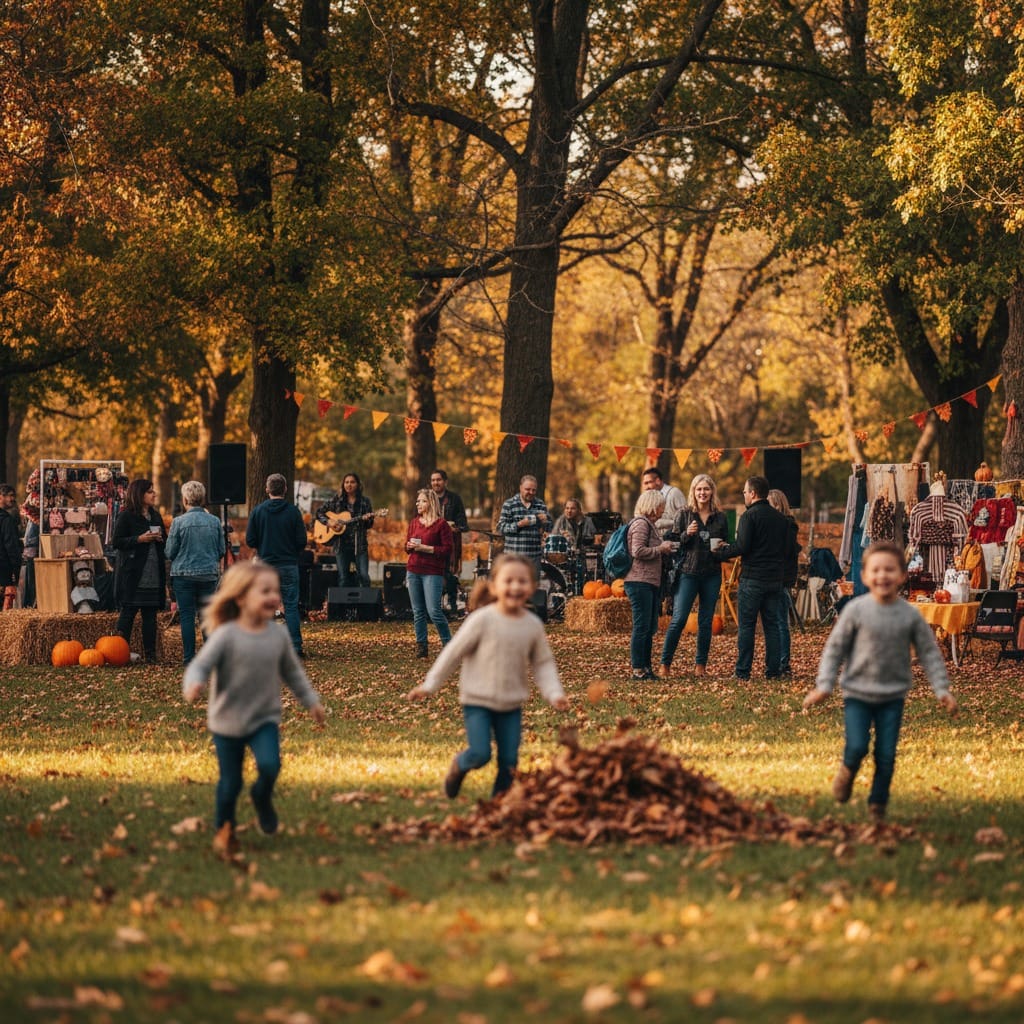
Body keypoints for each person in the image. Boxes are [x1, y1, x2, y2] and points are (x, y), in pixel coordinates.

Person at [802, 541, 957, 821]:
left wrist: (941, 689)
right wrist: (824, 686)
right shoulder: (856, 610)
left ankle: (877, 804)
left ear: (901, 576)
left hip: (892, 697)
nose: (883, 575)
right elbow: (834, 649)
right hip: (857, 694)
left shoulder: (909, 614)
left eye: (890, 570)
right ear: (864, 576)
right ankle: (848, 771)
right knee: (858, 745)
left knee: (886, 754)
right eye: (876, 570)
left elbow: (929, 652)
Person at [183, 560, 325, 856]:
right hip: (227, 723)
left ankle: (262, 797)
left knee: (271, 765)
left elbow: (293, 673)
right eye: (265, 591)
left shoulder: (278, 636)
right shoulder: (225, 635)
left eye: (275, 590)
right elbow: (201, 665)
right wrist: (194, 683)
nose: (274, 596)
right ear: (241, 598)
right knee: (230, 782)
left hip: (264, 719)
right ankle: (225, 829)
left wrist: (311, 700)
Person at [406, 553, 568, 797]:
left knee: (509, 762)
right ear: (494, 586)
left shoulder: (532, 625)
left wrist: (554, 693)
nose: (515, 586)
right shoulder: (482, 620)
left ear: (533, 587)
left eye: (522, 581)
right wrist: (429, 685)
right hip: (477, 701)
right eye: (508, 580)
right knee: (481, 753)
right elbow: (453, 653)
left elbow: (543, 664)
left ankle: (498, 806)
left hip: (511, 704)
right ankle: (459, 765)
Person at [712, 475, 794, 681]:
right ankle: (773, 671)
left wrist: (720, 552)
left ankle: (743, 671)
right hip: (774, 579)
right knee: (772, 626)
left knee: (747, 626)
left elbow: (742, 546)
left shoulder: (749, 517)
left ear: (753, 493)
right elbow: (786, 550)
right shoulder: (781, 520)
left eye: (745, 491)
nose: (744, 495)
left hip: (753, 579)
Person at [659, 474, 729, 678]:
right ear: (693, 491)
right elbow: (673, 544)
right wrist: (686, 534)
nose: (703, 493)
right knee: (679, 619)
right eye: (699, 489)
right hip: (688, 572)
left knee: (706, 621)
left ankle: (700, 666)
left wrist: (723, 548)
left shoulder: (720, 517)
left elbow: (725, 542)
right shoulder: (684, 514)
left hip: (711, 573)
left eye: (706, 489)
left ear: (712, 491)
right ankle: (665, 664)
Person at [245, 474, 308, 659]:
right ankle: (295, 646)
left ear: (267, 490)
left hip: (266, 565)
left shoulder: (258, 511)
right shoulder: (293, 512)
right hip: (288, 564)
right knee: (290, 606)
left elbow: (250, 540)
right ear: (285, 489)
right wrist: (292, 552)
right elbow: (301, 540)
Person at [165, 480, 226, 666]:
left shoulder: (178, 522)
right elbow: (222, 550)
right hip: (208, 575)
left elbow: (169, 552)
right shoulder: (214, 521)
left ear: (185, 499)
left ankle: (189, 658)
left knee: (187, 617)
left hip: (183, 576)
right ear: (202, 499)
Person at [112, 479, 166, 662]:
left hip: (153, 573)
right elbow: (117, 542)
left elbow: (164, 541)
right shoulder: (126, 516)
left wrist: (160, 539)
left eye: (153, 491)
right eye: (150, 491)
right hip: (133, 574)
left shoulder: (156, 516)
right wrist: (139, 539)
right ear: (139, 494)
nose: (154, 494)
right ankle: (120, 654)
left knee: (150, 617)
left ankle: (150, 656)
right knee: (128, 614)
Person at [624, 489, 675, 681]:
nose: (663, 510)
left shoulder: (650, 525)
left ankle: (646, 667)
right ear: (653, 506)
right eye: (661, 506)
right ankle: (638, 668)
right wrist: (660, 549)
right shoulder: (640, 524)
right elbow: (637, 551)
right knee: (641, 626)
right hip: (639, 581)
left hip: (650, 581)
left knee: (649, 626)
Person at [406, 487, 453, 658]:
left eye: (422, 501)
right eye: (417, 501)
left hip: (432, 572)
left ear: (431, 502)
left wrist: (425, 548)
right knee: (418, 611)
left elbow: (447, 549)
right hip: (413, 570)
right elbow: (407, 546)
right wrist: (410, 547)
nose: (418, 503)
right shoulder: (414, 523)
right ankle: (422, 646)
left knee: (433, 611)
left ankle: (449, 644)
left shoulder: (442, 525)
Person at [316, 472, 374, 587]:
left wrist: (367, 519)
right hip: (341, 544)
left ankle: (366, 604)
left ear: (358, 484)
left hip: (359, 545)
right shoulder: (337, 500)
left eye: (352, 482)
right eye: (346, 482)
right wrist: (329, 522)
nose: (349, 485)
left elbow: (370, 524)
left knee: (363, 576)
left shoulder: (365, 502)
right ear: (343, 484)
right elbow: (319, 512)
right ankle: (343, 604)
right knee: (343, 577)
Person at [767, 488, 802, 677]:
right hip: (774, 576)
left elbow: (786, 551)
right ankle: (776, 661)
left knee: (781, 620)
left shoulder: (788, 525)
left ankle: (783, 663)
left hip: (782, 578)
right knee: (775, 620)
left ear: (778, 505)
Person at [430, 469, 468, 615]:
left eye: (438, 480)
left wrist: (454, 525)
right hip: (432, 542)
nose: (436, 483)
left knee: (450, 573)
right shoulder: (427, 498)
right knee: (434, 572)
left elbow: (463, 522)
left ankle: (452, 604)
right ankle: (434, 605)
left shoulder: (455, 499)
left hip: (451, 543)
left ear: (445, 481)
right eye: (433, 480)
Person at [496, 474, 550, 567]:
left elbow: (549, 528)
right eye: (528, 489)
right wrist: (519, 524)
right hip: (513, 557)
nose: (531, 492)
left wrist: (546, 521)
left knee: (533, 582)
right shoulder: (509, 504)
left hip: (534, 557)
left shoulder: (540, 504)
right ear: (520, 487)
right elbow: (500, 528)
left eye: (534, 490)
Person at [641, 466, 685, 537]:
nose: (646, 487)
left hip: (674, 541)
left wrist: (666, 523)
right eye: (645, 483)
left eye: (648, 483)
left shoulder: (674, 493)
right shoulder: (648, 498)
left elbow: (685, 519)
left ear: (658, 481)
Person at [0, 484, 23, 611]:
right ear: (0, 497)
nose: (13, 499)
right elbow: (11, 546)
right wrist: (16, 567)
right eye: (10, 496)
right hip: (3, 568)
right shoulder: (6, 520)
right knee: (5, 606)